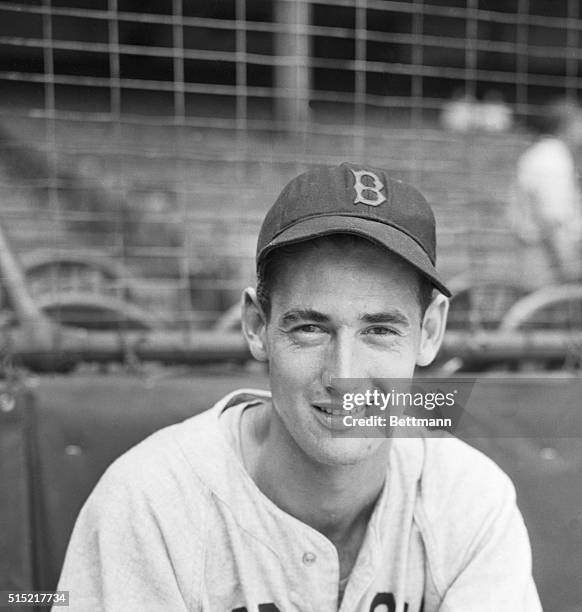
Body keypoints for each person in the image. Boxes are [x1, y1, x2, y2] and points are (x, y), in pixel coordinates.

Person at [56, 163, 542, 611]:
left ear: (430, 332)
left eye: (380, 330)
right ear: (256, 326)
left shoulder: (469, 498)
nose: (343, 374)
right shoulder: (148, 505)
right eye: (310, 328)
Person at [509, 99, 582, 285]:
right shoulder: (552, 160)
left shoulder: (545, 154)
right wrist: (566, 263)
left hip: (539, 250)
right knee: (547, 307)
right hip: (546, 255)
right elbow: (551, 220)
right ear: (566, 126)